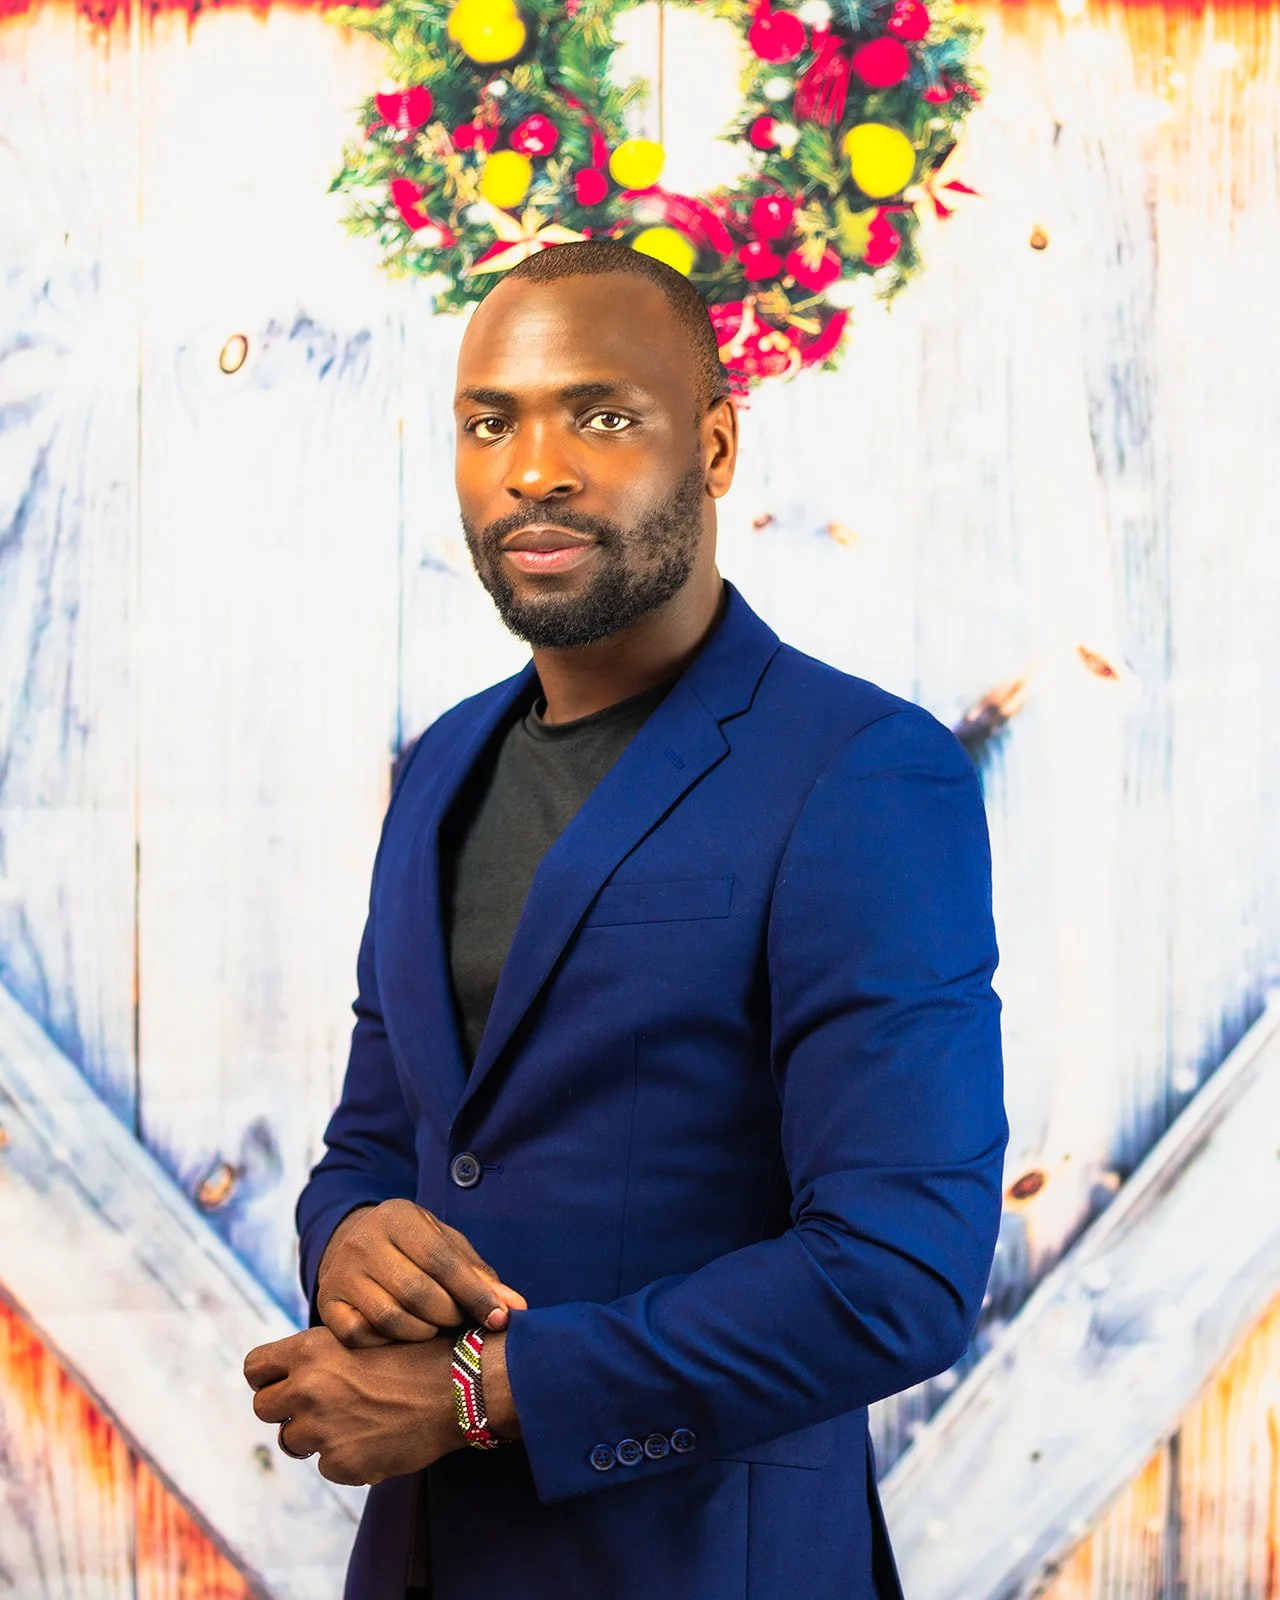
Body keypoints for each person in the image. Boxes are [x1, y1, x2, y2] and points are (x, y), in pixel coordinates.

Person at [243, 240, 1007, 1600]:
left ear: (714, 443)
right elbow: (378, 1143)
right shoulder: (441, 765)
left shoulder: (862, 771)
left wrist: (482, 1392)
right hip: (423, 1562)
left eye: (602, 414)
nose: (534, 466)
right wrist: (350, 1243)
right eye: (492, 422)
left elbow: (899, 1272)